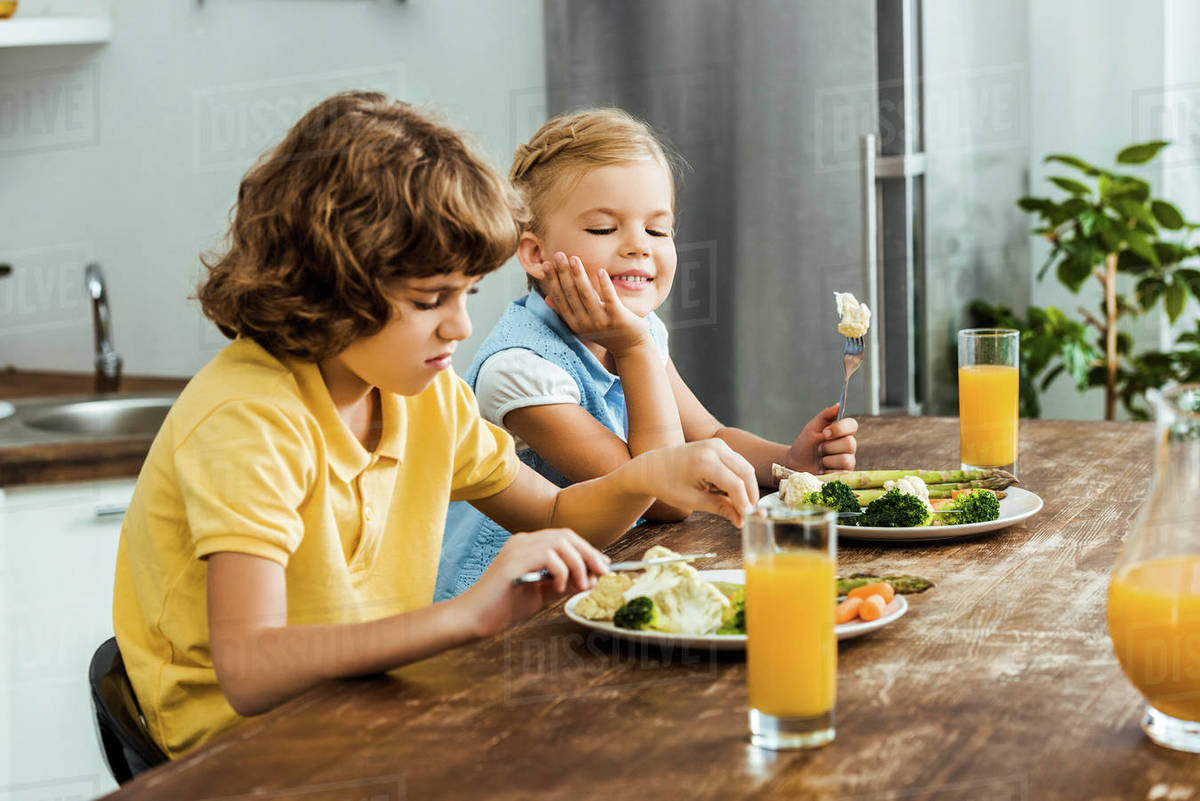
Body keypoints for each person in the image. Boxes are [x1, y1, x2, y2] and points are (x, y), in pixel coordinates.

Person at [112, 92, 759, 759]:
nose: (460, 326)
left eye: (466, 293)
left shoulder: (425, 395)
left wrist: (646, 475)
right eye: (430, 300)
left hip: (371, 708)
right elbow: (251, 670)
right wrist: (462, 616)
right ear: (332, 284)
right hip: (241, 753)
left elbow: (553, 513)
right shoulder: (248, 418)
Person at [437, 108, 858, 599]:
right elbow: (664, 498)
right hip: (512, 605)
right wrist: (633, 347)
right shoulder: (519, 371)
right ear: (535, 254)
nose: (638, 247)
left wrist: (787, 463)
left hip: (611, 574)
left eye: (657, 231)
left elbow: (709, 435)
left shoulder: (639, 333)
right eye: (603, 229)